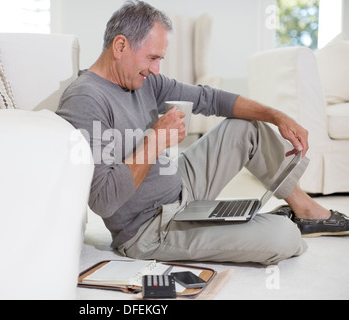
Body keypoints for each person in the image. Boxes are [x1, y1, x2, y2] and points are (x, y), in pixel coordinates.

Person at [56, 0, 348, 265]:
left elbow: (211, 99)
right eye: (152, 58)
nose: (157, 70)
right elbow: (103, 200)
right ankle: (264, 224)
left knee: (245, 126)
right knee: (285, 237)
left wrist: (276, 115)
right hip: (150, 227)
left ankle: (304, 209)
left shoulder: (145, 82)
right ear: (120, 47)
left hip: (182, 183)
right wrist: (156, 140)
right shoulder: (86, 99)